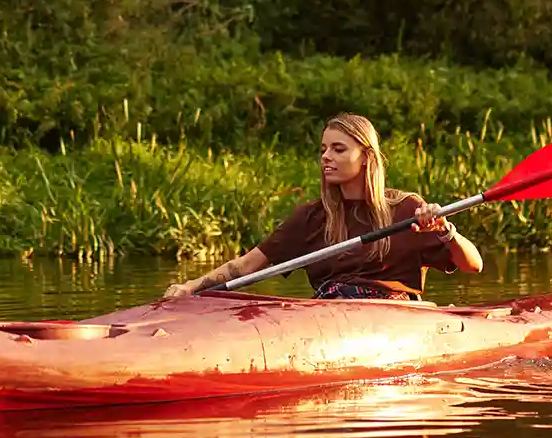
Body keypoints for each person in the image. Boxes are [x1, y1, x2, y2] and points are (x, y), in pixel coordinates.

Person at [162, 112, 482, 302]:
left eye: (338, 149)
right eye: (324, 148)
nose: (326, 156)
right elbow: (245, 267)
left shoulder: (406, 209)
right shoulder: (312, 217)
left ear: (366, 157)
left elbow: (473, 265)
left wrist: (445, 231)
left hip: (394, 321)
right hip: (328, 315)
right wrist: (190, 287)